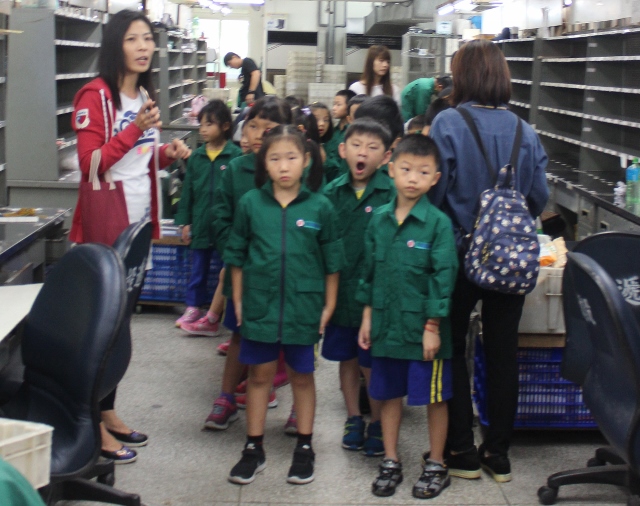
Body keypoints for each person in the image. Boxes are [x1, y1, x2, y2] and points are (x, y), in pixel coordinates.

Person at [69, 9, 191, 464]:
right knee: (100, 329)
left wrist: (162, 152)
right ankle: (91, 422)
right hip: (106, 226)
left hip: (139, 224)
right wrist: (137, 129)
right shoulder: (94, 96)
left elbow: (135, 159)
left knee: (120, 326)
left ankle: (109, 412)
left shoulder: (143, 94)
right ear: (116, 45)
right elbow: (91, 165)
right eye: (134, 39)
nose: (144, 47)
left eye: (149, 39)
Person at [429, 39, 549, 483]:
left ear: (462, 76)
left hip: (458, 257)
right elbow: (538, 199)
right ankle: (498, 454)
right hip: (509, 261)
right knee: (502, 353)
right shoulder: (526, 131)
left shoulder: (447, 122)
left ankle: (460, 449)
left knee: (453, 348)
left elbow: (436, 193)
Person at [224, 125, 344, 485]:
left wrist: (329, 306)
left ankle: (305, 447)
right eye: (275, 159)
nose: (284, 166)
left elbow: (332, 261)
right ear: (265, 163)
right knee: (259, 377)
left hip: (303, 307)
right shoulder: (251, 204)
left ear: (306, 161)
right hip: (260, 305)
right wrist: (239, 300)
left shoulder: (320, 206)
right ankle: (253, 447)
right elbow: (237, 255)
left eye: (292, 157)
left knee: (302, 377)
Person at [357, 134, 458, 499]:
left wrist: (432, 326)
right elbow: (368, 272)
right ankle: (390, 459)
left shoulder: (438, 224)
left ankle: (435, 463)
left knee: (433, 397)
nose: (413, 178)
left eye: (423, 171)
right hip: (386, 326)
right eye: (406, 169)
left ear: (435, 178)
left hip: (424, 334)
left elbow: (443, 278)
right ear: (391, 170)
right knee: (387, 396)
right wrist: (367, 316)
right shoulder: (380, 219)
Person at [204, 97, 293, 431]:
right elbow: (220, 218)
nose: (257, 133)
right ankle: (225, 398)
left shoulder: (292, 170)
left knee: (291, 341)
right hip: (244, 274)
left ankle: (296, 406)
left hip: (285, 278)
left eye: (267, 128)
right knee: (239, 335)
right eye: (253, 125)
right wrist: (237, 255)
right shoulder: (236, 171)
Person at [322, 118, 394, 457]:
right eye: (356, 145)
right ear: (342, 150)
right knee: (347, 360)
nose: (362, 153)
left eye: (372, 147)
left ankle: (378, 422)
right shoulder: (330, 194)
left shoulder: (392, 194)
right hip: (341, 296)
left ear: (386, 156)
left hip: (376, 299)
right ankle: (354, 417)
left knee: (372, 362)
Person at [174, 99, 242, 333]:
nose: (203, 129)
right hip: (201, 222)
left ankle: (223, 310)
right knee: (198, 268)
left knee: (229, 270)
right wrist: (185, 222)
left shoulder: (235, 156)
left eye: (209, 124)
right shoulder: (197, 157)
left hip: (226, 226)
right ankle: (193, 307)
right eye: (201, 124)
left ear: (225, 126)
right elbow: (188, 191)